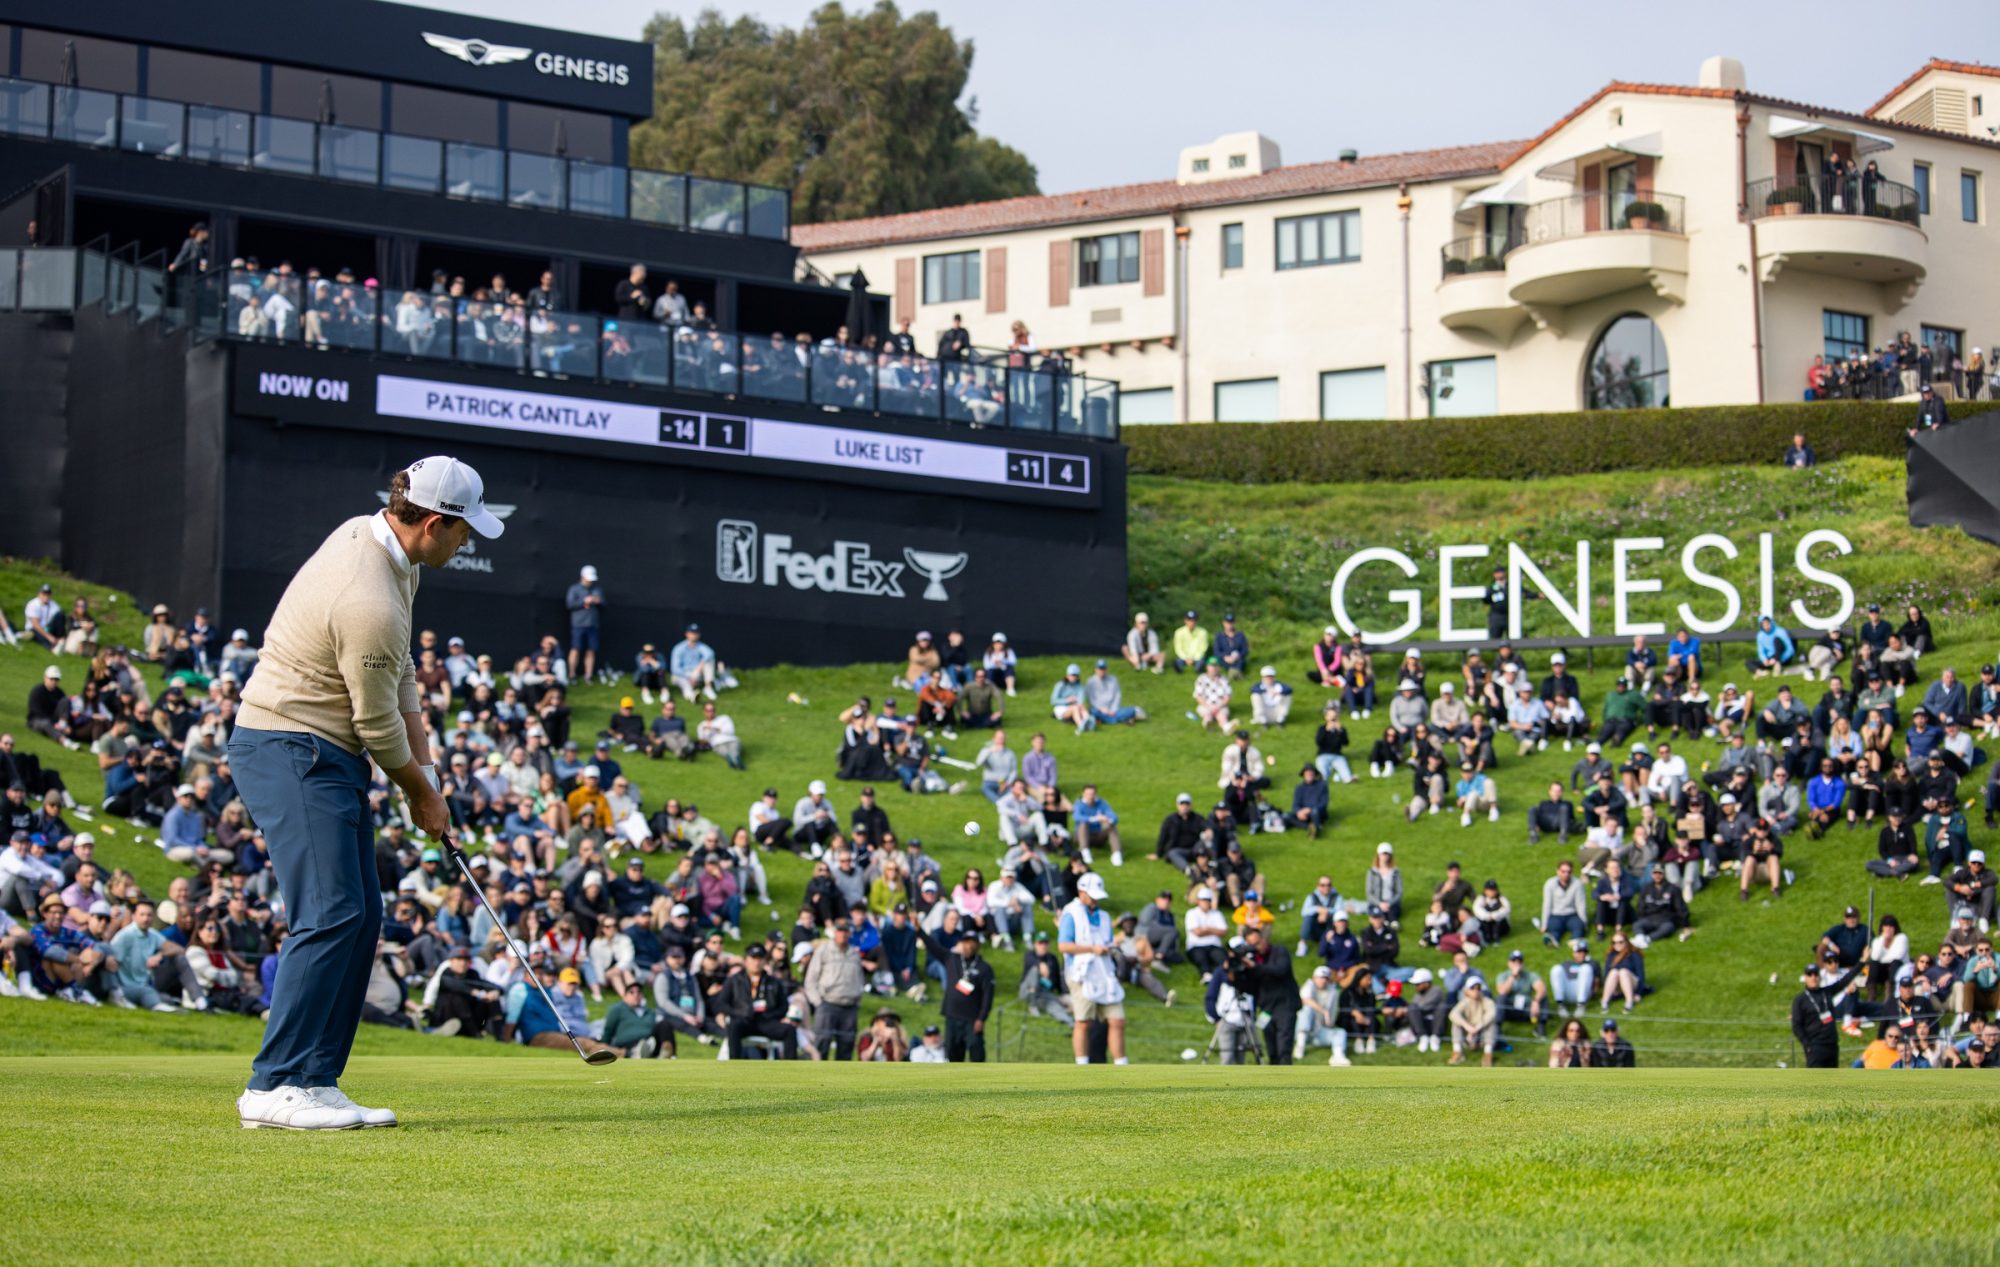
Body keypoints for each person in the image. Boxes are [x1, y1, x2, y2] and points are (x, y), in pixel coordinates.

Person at [226, 457, 496, 1130]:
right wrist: (420, 796)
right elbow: (377, 726)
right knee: (328, 910)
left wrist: (428, 775)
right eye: (465, 532)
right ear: (433, 524)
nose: (468, 544)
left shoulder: (388, 551)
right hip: (286, 744)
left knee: (360, 913)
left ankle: (316, 1078)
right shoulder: (368, 593)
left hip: (325, 749)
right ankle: (273, 1085)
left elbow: (400, 676)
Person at [1057, 872, 1126, 1065]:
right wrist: (1092, 949)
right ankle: (1082, 1065)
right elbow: (1064, 946)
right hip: (1081, 973)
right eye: (1092, 895)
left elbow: (1105, 942)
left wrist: (1113, 944)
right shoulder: (1071, 913)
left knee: (1117, 1021)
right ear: (1081, 892)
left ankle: (1122, 1065)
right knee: (1083, 1021)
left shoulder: (1104, 916)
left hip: (1104, 972)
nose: (1095, 900)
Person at [1790, 962, 1842, 1068]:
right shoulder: (1800, 999)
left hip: (1832, 1045)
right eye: (1810, 974)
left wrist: (1862, 962)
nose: (1813, 977)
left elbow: (1844, 981)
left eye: (1816, 974)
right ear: (1805, 977)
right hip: (1815, 1046)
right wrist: (1807, 1045)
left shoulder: (1826, 992)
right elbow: (1796, 1025)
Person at [564, 565, 603, 685]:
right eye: (588, 578)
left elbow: (603, 604)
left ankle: (588, 676)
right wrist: (584, 601)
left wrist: (597, 601)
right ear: (582, 576)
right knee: (575, 649)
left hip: (593, 624)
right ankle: (572, 675)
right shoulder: (574, 589)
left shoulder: (597, 590)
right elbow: (569, 604)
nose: (590, 581)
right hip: (578, 624)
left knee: (591, 650)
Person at [1447, 977, 1496, 1066]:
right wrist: (1467, 1027)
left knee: (1492, 1024)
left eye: (1478, 988)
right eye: (1472, 988)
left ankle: (1488, 1054)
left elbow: (1491, 1014)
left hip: (1481, 1035)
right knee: (1456, 1023)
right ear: (1467, 990)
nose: (1476, 991)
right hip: (1467, 1036)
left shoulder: (1488, 1002)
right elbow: (1453, 1014)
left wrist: (1476, 1028)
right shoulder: (1465, 1002)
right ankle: (1457, 1052)